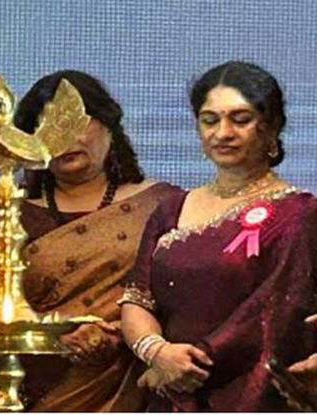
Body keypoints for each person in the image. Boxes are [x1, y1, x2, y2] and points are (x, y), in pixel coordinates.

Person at [119, 61, 317, 411]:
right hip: (168, 390)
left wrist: (193, 363)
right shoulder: (171, 208)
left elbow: (274, 310)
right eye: (210, 120)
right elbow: (137, 298)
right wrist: (158, 353)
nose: (222, 133)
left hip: (253, 393)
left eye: (240, 120)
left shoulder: (299, 213)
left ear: (271, 127)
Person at [10, 70, 183, 411]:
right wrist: (57, 333)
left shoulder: (164, 206)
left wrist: (125, 332)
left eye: (76, 121)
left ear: (108, 124)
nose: (64, 137)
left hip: (139, 382)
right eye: (47, 125)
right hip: (42, 384)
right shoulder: (9, 215)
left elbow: (187, 299)